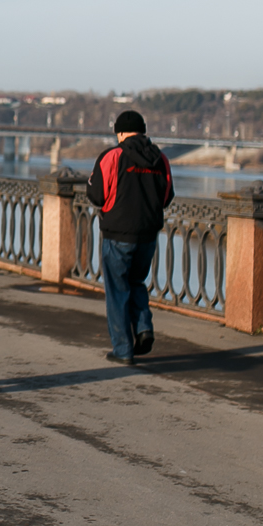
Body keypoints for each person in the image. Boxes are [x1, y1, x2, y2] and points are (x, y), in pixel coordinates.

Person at [86, 110, 173, 365]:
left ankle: (123, 349)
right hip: (148, 235)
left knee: (117, 289)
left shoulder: (112, 157)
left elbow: (96, 195)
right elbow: (166, 197)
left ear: (120, 133)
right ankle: (144, 327)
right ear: (143, 131)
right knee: (136, 281)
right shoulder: (161, 159)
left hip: (118, 234)